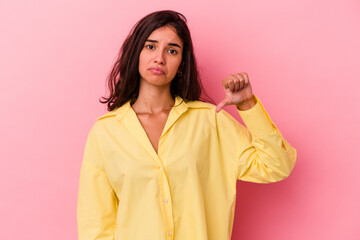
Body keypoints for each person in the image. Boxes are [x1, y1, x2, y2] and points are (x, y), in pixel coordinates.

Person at [77, 10, 296, 240]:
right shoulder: (106, 132)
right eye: (150, 47)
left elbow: (277, 166)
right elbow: (96, 227)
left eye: (172, 50)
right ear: (136, 54)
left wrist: (248, 105)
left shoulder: (210, 121)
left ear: (181, 64)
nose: (159, 58)